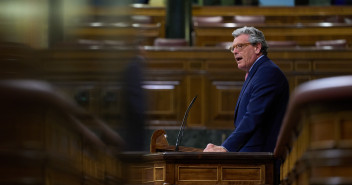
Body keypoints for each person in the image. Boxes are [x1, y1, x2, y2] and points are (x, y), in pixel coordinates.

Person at [204, 26, 289, 152]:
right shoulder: (257, 72)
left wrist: (225, 147)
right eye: (233, 48)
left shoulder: (267, 73)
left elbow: (253, 117)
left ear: (257, 47)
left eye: (240, 46)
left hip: (261, 158)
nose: (235, 51)